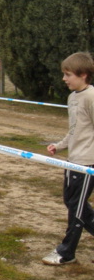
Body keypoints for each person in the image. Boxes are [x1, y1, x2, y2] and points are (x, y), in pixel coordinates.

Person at [43, 52, 94, 265]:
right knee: (71, 203)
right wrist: (60, 145)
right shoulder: (72, 97)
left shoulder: (91, 97)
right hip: (73, 160)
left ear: (83, 75)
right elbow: (75, 129)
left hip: (87, 163)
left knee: (77, 209)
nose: (64, 79)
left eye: (68, 74)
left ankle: (66, 252)